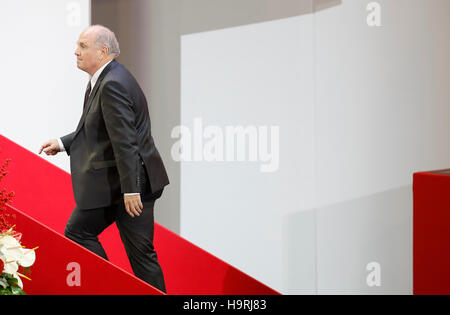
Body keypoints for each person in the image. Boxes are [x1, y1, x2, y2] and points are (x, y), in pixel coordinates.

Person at [39, 25, 169, 293]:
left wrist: (131, 189)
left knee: (134, 253)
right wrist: (63, 143)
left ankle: (113, 287)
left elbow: (125, 141)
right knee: (128, 250)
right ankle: (114, 286)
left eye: (83, 46)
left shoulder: (111, 84)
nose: (76, 51)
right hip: (122, 183)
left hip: (131, 186)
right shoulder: (108, 78)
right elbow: (99, 128)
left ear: (103, 51)